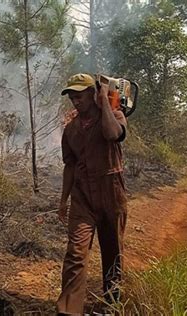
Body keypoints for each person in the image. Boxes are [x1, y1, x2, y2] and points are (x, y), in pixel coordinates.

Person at [57, 73, 128, 314]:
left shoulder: (114, 116)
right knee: (75, 253)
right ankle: (69, 310)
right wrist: (63, 200)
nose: (76, 101)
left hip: (111, 193)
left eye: (80, 96)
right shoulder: (71, 130)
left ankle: (111, 304)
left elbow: (112, 134)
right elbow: (70, 165)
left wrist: (105, 102)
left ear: (93, 94)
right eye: (72, 97)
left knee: (112, 252)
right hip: (82, 197)